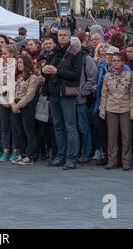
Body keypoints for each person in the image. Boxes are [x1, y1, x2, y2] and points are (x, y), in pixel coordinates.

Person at [42, 30, 83, 170]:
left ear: (70, 37)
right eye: (60, 35)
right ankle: (60, 155)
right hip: (54, 93)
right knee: (58, 126)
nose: (62, 37)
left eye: (65, 35)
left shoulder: (76, 53)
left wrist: (57, 71)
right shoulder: (54, 52)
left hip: (67, 95)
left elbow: (76, 74)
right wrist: (45, 70)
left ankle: (71, 158)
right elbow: (46, 70)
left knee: (70, 127)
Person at [99, 52, 133, 170]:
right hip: (111, 108)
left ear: (123, 62)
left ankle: (126, 161)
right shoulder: (107, 76)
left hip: (125, 109)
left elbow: (131, 94)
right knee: (112, 137)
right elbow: (104, 94)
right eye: (114, 61)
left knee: (126, 136)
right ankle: (112, 160)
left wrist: (132, 110)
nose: (116, 63)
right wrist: (102, 110)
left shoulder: (129, 75)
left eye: (118, 60)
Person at [10, 55, 38, 165]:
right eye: (18, 63)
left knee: (29, 131)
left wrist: (18, 106)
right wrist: (12, 104)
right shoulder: (18, 76)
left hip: (26, 106)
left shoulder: (33, 77)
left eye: (21, 62)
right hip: (16, 104)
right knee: (19, 131)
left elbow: (29, 95)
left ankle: (30, 155)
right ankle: (22, 153)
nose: (19, 65)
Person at [0, 45, 19, 162]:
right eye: (2, 54)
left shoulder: (17, 66)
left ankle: (15, 150)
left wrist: (10, 100)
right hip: (2, 99)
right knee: (4, 126)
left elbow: (15, 84)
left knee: (14, 126)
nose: (3, 56)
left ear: (12, 54)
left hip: (14, 99)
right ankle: (5, 150)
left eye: (5, 54)